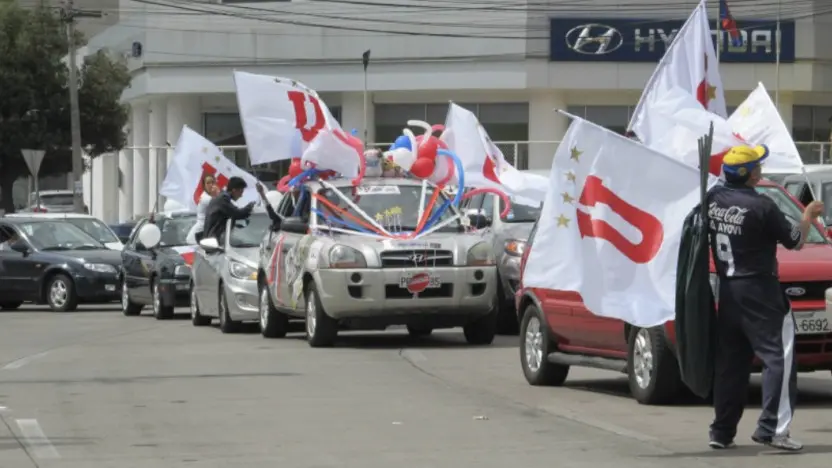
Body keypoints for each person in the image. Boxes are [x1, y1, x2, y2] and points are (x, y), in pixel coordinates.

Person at [707, 144, 824, 452]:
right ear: (749, 174)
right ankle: (772, 430)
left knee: (732, 365)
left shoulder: (713, 199)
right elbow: (796, 242)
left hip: (727, 291)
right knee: (780, 359)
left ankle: (721, 432)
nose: (761, 170)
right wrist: (808, 214)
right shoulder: (762, 206)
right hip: (760, 290)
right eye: (757, 166)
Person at [202, 176, 256, 242]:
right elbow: (237, 213)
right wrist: (249, 206)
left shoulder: (223, 198)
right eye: (241, 192)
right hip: (213, 242)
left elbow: (234, 211)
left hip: (215, 239)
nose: (241, 195)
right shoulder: (223, 199)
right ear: (234, 190)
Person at [186, 173, 219, 244]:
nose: (211, 185)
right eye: (208, 183)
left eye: (212, 182)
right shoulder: (205, 198)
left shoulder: (211, 197)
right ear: (204, 186)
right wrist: (218, 192)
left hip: (206, 232)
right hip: (196, 237)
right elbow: (220, 204)